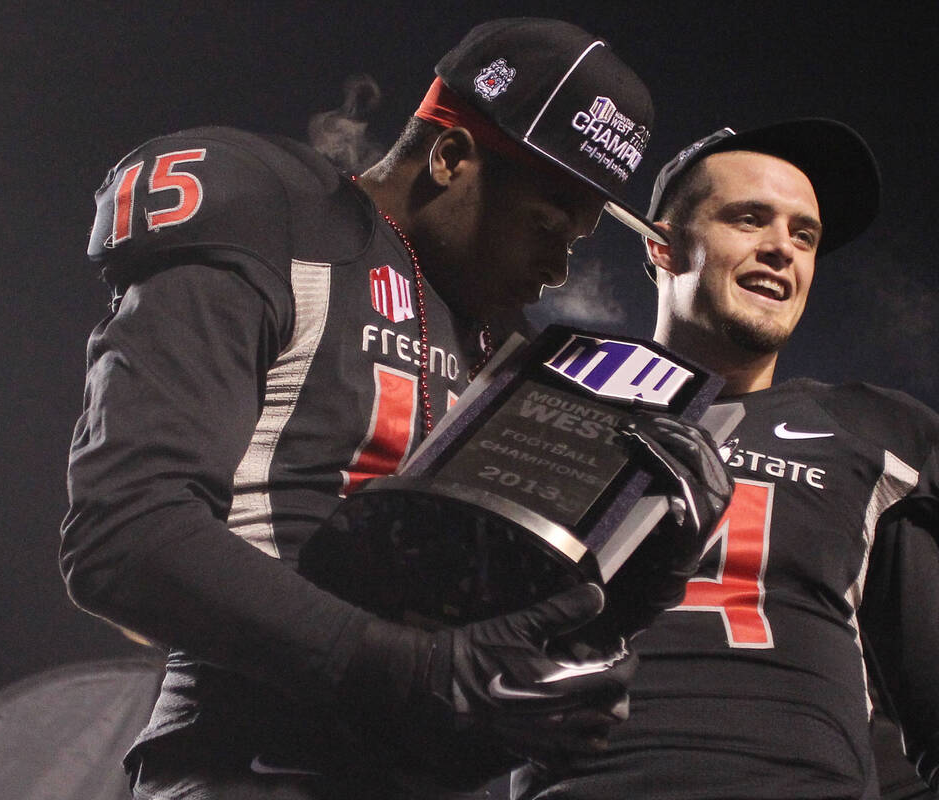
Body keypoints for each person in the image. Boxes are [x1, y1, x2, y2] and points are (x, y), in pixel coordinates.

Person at [60, 18, 728, 799]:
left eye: (577, 241)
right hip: (253, 760)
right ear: (450, 157)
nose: (557, 268)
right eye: (549, 225)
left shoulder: (508, 346)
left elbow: (494, 660)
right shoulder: (278, 213)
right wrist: (412, 670)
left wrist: (636, 579)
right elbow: (125, 536)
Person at [512, 122, 939, 799]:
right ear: (662, 246)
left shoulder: (867, 437)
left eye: (805, 236)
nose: (781, 250)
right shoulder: (551, 402)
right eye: (749, 219)